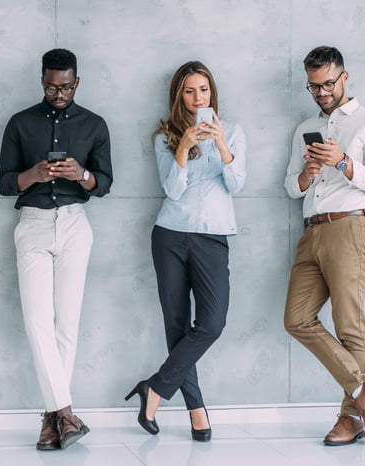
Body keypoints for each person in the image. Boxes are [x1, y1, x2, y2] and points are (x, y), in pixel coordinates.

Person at [0, 48, 113, 451]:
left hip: (75, 226)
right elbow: (5, 182)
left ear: (76, 82)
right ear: (41, 80)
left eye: (65, 86)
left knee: (67, 324)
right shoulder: (20, 123)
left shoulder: (95, 124)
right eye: (50, 85)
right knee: (37, 321)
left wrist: (80, 174)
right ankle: (64, 412)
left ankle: (52, 421)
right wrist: (35, 173)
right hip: (33, 224)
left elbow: (105, 183)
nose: (58, 93)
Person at [125, 60, 246, 442]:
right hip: (171, 235)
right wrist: (184, 147)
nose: (198, 98)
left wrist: (222, 143)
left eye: (204, 90)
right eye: (190, 91)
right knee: (177, 327)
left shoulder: (235, 132)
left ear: (213, 93)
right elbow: (173, 190)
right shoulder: (164, 137)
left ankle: (156, 388)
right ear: (179, 95)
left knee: (211, 324)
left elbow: (237, 183)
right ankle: (196, 409)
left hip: (212, 237)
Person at [283, 46, 365, 446]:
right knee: (296, 319)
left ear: (345, 77)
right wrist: (309, 174)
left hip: (349, 228)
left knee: (350, 326)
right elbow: (290, 187)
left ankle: (349, 419)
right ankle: (363, 387)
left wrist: (343, 160)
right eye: (314, 86)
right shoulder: (304, 128)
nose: (322, 92)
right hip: (312, 232)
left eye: (328, 83)